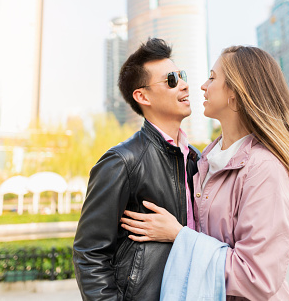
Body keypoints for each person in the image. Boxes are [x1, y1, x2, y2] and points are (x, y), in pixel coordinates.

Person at [121, 45, 289, 300]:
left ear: (236, 93)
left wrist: (179, 236)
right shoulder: (203, 160)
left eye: (213, 77)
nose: (202, 86)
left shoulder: (264, 169)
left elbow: (257, 278)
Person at [72, 38, 200, 301]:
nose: (185, 84)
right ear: (142, 96)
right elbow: (89, 253)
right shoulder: (121, 161)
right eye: (171, 80)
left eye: (182, 76)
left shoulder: (196, 159)